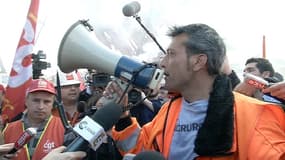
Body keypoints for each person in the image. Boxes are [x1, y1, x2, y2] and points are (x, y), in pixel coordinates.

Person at [104, 24, 285, 159]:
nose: (162, 63)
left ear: (198, 61)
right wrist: (123, 117)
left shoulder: (255, 115)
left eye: (171, 54)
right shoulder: (169, 111)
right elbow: (141, 150)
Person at [2, 79, 65, 160]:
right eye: (36, 100)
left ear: (53, 104)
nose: (40, 107)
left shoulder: (64, 127)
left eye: (47, 102)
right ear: (26, 101)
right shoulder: (7, 129)